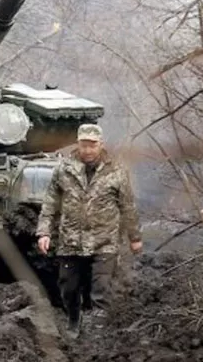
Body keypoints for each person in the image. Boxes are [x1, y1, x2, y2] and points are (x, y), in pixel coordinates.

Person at [36, 123, 142, 337]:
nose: (88, 150)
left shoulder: (117, 171)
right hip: (71, 241)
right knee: (68, 288)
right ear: (78, 144)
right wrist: (44, 232)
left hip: (104, 241)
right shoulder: (63, 170)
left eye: (92, 145)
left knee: (101, 290)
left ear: (101, 145)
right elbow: (50, 204)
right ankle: (74, 320)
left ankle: (98, 332)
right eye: (84, 145)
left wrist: (134, 237)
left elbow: (127, 206)